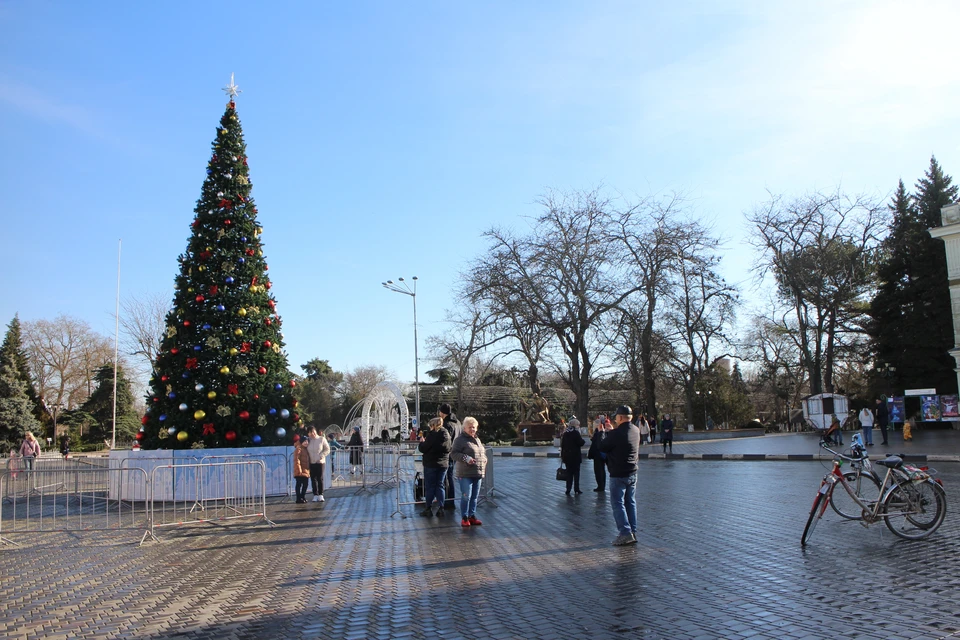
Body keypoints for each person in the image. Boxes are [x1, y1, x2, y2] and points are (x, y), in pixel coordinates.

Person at [599, 406, 640, 546]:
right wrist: (612, 432)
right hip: (632, 472)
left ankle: (625, 533)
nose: (615, 419)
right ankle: (632, 531)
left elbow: (603, 447)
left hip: (618, 473)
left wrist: (603, 433)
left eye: (616, 417)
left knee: (617, 503)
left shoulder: (615, 434)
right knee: (630, 502)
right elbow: (621, 442)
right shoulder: (636, 430)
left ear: (621, 417)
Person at [451, 416, 486, 527]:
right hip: (465, 474)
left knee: (474, 497)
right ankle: (464, 517)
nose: (472, 429)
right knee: (466, 496)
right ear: (464, 428)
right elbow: (454, 454)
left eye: (474, 427)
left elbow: (481, 453)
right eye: (470, 427)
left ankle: (472, 516)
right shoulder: (460, 440)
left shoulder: (477, 439)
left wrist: (484, 459)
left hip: (478, 473)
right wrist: (466, 458)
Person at [418, 416, 452, 517]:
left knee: (430, 486)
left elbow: (424, 448)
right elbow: (449, 448)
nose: (429, 428)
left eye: (430, 426)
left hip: (431, 464)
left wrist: (421, 443)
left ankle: (428, 508)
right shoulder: (447, 435)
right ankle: (441, 508)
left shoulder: (433, 435)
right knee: (440, 485)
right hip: (443, 464)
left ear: (433, 425)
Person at [439, 403, 462, 510]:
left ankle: (449, 501)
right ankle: (449, 501)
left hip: (448, 454)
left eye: (440, 412)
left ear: (442, 413)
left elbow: (445, 441)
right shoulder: (457, 423)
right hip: (455, 453)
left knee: (447, 478)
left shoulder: (447, 424)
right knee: (450, 476)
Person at [560, 417, 586, 495]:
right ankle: (576, 489)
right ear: (576, 425)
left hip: (567, 457)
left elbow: (562, 445)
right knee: (576, 473)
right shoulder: (575, 433)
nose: (579, 426)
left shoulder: (566, 433)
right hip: (575, 457)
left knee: (569, 473)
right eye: (578, 425)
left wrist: (562, 456)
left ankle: (568, 489)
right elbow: (581, 442)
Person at [306, 427, 331, 502]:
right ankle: (315, 494)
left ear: (316, 431)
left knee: (320, 478)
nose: (312, 434)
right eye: (310, 432)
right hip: (311, 462)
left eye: (313, 432)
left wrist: (322, 455)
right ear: (308, 433)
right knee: (313, 479)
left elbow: (327, 449)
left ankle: (321, 494)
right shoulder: (308, 440)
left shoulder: (321, 439)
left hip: (320, 462)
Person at [587, 423, 606, 492]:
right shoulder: (600, 432)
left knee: (599, 471)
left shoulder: (600, 432)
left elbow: (598, 443)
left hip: (598, 454)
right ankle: (601, 485)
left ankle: (600, 486)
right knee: (601, 470)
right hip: (600, 454)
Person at [293, 437, 311, 503]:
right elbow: (297, 460)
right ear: (301, 442)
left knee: (305, 484)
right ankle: (298, 498)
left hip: (306, 470)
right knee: (299, 484)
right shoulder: (298, 449)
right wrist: (299, 470)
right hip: (299, 471)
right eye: (305, 441)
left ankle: (302, 496)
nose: (306, 443)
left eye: (307, 441)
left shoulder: (307, 449)